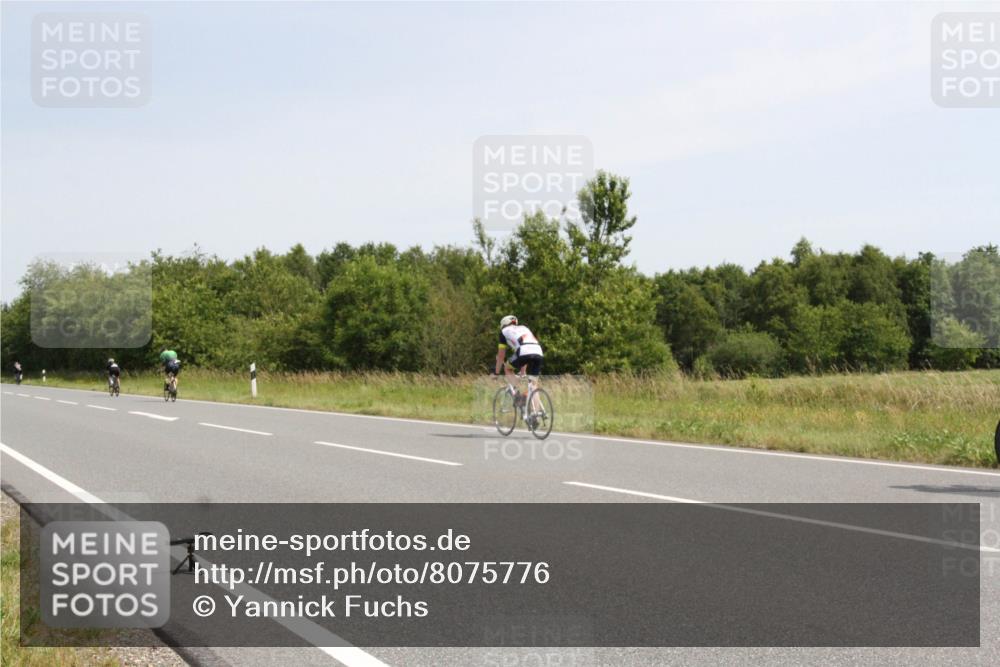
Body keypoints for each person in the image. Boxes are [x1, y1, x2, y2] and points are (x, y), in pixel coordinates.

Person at [494, 315, 544, 423]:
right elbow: (525, 348)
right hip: (538, 351)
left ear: (503, 325)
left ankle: (518, 396)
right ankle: (536, 415)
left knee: (507, 368)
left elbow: (501, 356)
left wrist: (496, 373)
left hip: (524, 351)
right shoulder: (524, 328)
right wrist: (523, 372)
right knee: (533, 385)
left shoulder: (504, 332)